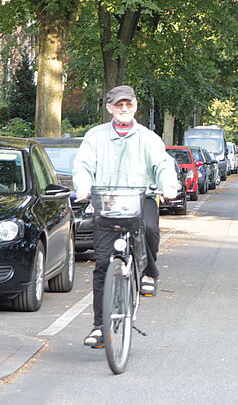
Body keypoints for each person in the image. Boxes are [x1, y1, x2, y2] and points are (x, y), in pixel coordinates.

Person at [73, 85, 179, 347]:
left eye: (128, 104)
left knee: (150, 227)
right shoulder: (95, 137)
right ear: (109, 107)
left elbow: (162, 164)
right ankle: (99, 326)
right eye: (118, 105)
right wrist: (83, 187)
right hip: (107, 202)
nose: (123, 109)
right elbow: (84, 165)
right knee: (102, 265)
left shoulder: (148, 137)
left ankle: (148, 272)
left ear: (135, 106)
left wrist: (169, 187)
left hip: (139, 198)